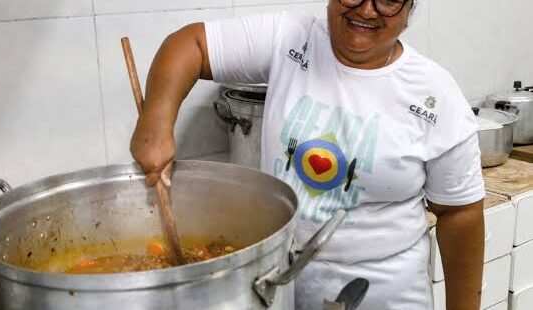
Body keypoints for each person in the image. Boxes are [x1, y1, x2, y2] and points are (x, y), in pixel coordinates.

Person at [130, 0, 485, 309]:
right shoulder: (290, 39)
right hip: (278, 282)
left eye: (389, 0)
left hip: (383, 292)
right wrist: (156, 120)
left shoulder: (435, 96)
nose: (366, 9)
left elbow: (461, 214)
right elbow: (190, 44)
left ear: (409, 9)